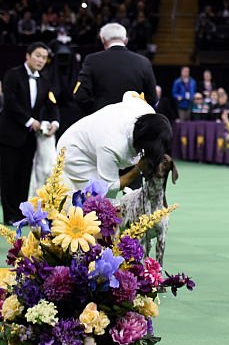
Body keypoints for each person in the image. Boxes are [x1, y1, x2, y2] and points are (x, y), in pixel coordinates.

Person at [56, 91, 172, 197]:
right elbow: (108, 188)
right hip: (74, 151)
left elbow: (129, 94)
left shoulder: (146, 110)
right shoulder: (112, 145)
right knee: (95, 201)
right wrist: (138, 169)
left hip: (97, 137)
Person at [0, 42, 60, 225]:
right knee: (9, 176)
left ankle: (20, 214)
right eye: (38, 56)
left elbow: (51, 104)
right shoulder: (12, 74)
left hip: (29, 139)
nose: (41, 60)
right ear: (28, 56)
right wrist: (29, 121)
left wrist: (55, 122)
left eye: (44, 57)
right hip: (9, 135)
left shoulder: (45, 79)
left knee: (24, 176)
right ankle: (9, 215)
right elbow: (10, 103)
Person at [74, 23, 158, 114]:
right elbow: (153, 98)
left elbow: (80, 95)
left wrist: (96, 111)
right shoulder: (143, 62)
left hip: (103, 119)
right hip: (133, 120)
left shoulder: (91, 60)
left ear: (103, 39)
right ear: (126, 40)